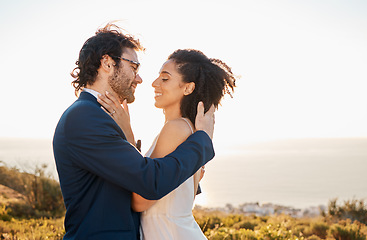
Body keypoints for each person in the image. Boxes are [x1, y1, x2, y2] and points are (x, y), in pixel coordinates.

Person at [53, 23, 215, 240]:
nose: (140, 79)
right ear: (108, 63)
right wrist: (202, 141)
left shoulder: (96, 116)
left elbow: (132, 172)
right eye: (134, 67)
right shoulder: (84, 117)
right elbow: (149, 182)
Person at [99, 49, 236, 239]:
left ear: (187, 88)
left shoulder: (176, 129)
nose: (155, 83)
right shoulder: (186, 129)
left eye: (165, 79)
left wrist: (126, 136)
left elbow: (141, 200)